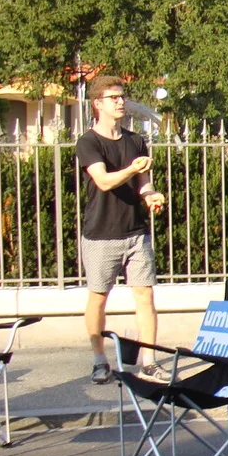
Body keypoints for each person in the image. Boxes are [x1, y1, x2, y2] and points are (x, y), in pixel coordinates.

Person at [76, 75, 167, 384]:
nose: (120, 102)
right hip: (101, 234)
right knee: (99, 298)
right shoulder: (88, 142)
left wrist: (151, 195)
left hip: (135, 233)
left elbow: (143, 184)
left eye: (122, 96)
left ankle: (149, 361)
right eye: (113, 97)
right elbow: (103, 181)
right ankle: (99, 360)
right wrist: (131, 168)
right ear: (97, 104)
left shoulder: (134, 140)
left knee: (145, 296)